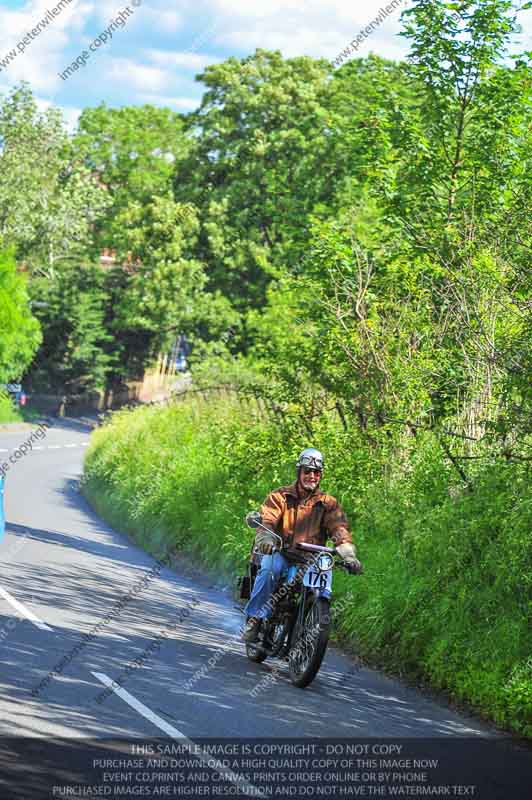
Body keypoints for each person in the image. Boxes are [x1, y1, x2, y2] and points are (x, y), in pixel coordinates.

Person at [242, 447, 362, 642]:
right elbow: (268, 520)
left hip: (311, 560)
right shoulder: (280, 496)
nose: (312, 476)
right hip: (281, 552)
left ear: (320, 475)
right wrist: (267, 539)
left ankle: (310, 624)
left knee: (323, 582)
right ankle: (254, 620)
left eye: (316, 472)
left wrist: (348, 554)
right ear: (299, 472)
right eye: (307, 471)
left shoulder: (328, 504)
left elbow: (339, 528)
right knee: (268, 570)